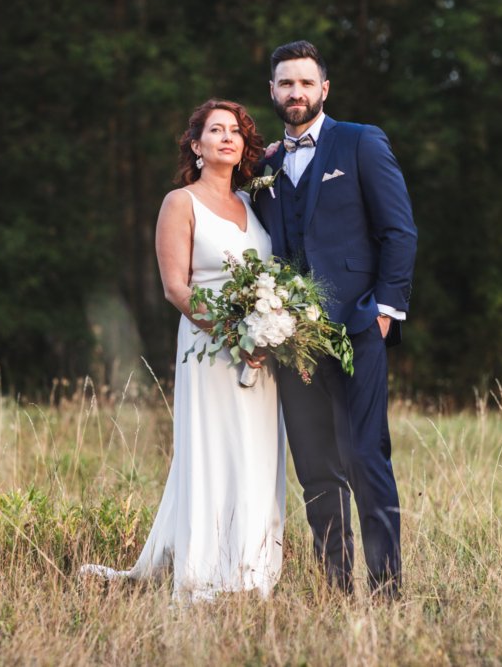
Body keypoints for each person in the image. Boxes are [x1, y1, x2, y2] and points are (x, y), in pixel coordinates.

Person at [80, 99, 286, 603]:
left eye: (235, 131)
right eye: (215, 130)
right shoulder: (180, 203)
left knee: (257, 454)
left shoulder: (252, 203)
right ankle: (204, 572)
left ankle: (251, 568)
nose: (227, 137)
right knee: (214, 451)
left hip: (260, 354)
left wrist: (265, 332)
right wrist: (235, 334)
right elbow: (176, 288)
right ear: (196, 145)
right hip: (211, 346)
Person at [253, 41, 418, 599]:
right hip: (290, 340)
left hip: (357, 328)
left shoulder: (360, 142)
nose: (295, 92)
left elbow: (399, 230)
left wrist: (385, 312)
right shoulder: (266, 167)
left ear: (324, 88)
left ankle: (386, 589)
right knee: (315, 467)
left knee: (365, 457)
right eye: (285, 83)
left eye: (305, 82)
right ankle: (336, 590)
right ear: (272, 91)